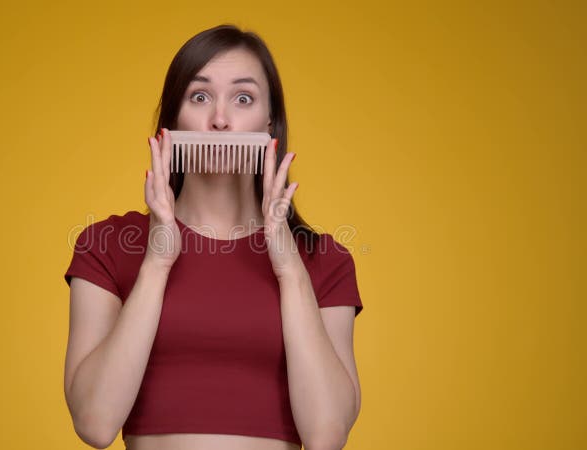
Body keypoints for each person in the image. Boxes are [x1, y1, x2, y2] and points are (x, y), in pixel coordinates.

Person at [63, 24, 364, 450]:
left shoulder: (324, 261)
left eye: (243, 99)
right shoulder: (108, 245)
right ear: (172, 120)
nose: (219, 119)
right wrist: (157, 261)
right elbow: (94, 423)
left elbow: (327, 435)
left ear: (269, 121)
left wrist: (288, 268)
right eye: (199, 96)